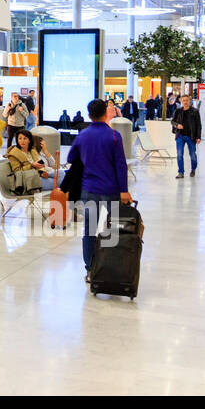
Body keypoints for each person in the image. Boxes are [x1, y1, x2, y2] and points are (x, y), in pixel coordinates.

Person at [67, 98, 132, 281]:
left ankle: (90, 269)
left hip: (89, 189)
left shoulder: (83, 136)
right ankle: (114, 266)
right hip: (111, 190)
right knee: (115, 228)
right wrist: (124, 190)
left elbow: (72, 157)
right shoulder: (113, 136)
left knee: (89, 230)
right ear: (106, 113)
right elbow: (121, 165)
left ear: (89, 115)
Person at [171, 93, 203, 177]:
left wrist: (198, 137)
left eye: (187, 100)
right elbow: (172, 121)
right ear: (181, 101)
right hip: (180, 136)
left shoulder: (195, 111)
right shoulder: (178, 111)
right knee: (179, 154)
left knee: (192, 154)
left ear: (190, 101)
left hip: (191, 136)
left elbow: (199, 125)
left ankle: (193, 169)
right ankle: (180, 172)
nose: (185, 102)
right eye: (183, 100)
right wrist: (177, 125)